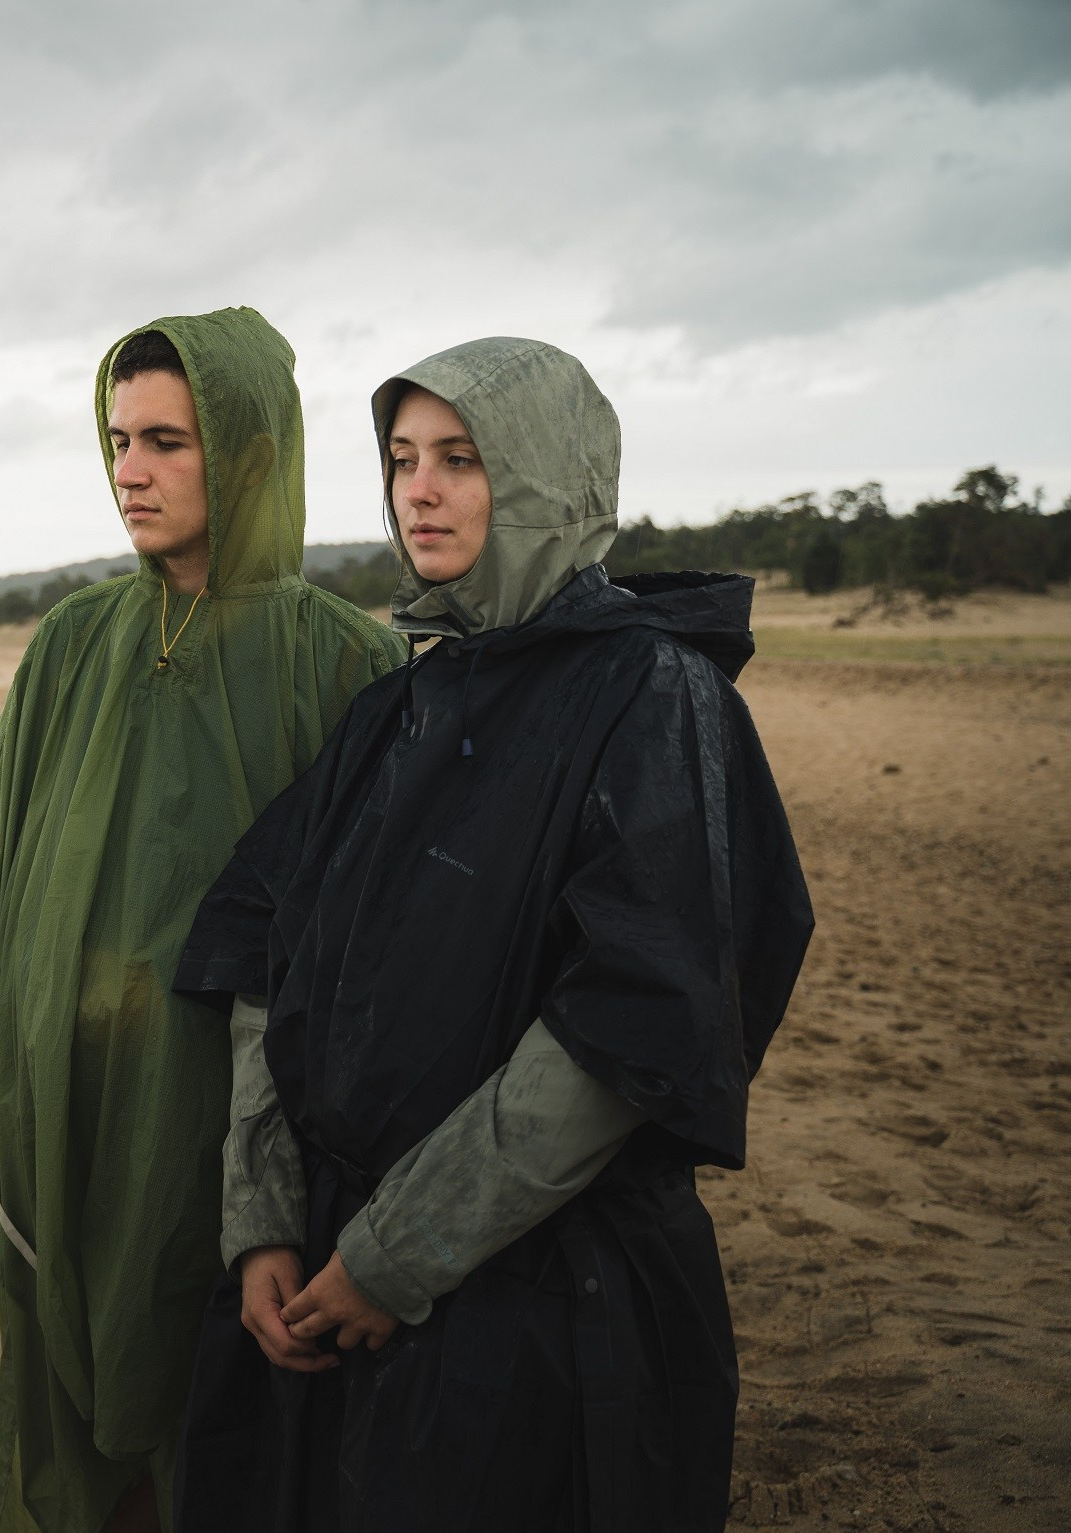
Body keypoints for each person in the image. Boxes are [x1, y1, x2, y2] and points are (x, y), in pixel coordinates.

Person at [173, 336, 815, 1532]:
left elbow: (626, 1026)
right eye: (403, 458)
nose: (418, 489)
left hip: (532, 1295)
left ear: (545, 478)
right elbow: (264, 939)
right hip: (328, 1268)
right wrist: (260, 1215)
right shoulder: (397, 707)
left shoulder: (652, 699)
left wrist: (398, 1256)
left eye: (460, 460)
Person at [0, 308, 407, 1533]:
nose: (127, 471)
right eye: (115, 438)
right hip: (69, 1127)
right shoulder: (72, 645)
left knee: (220, 1432)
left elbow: (370, 943)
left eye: (165, 441)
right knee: (81, 1439)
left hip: (232, 1136)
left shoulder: (345, 663)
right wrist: (4, 1084)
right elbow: (1, 880)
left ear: (248, 455)